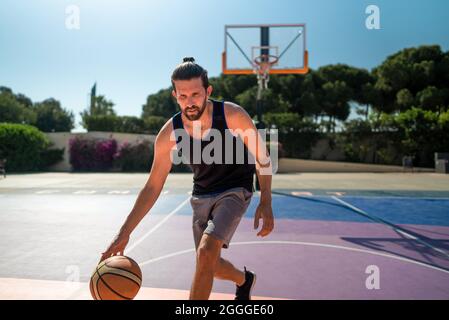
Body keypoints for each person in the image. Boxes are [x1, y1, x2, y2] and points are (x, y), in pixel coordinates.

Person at [100, 57, 274, 300]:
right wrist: (124, 233)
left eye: (195, 94)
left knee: (205, 253)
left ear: (208, 91)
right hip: (202, 194)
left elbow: (263, 157)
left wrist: (266, 199)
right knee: (209, 263)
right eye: (183, 96)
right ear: (175, 95)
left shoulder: (232, 115)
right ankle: (245, 280)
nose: (189, 102)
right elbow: (153, 186)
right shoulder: (170, 132)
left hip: (235, 188)